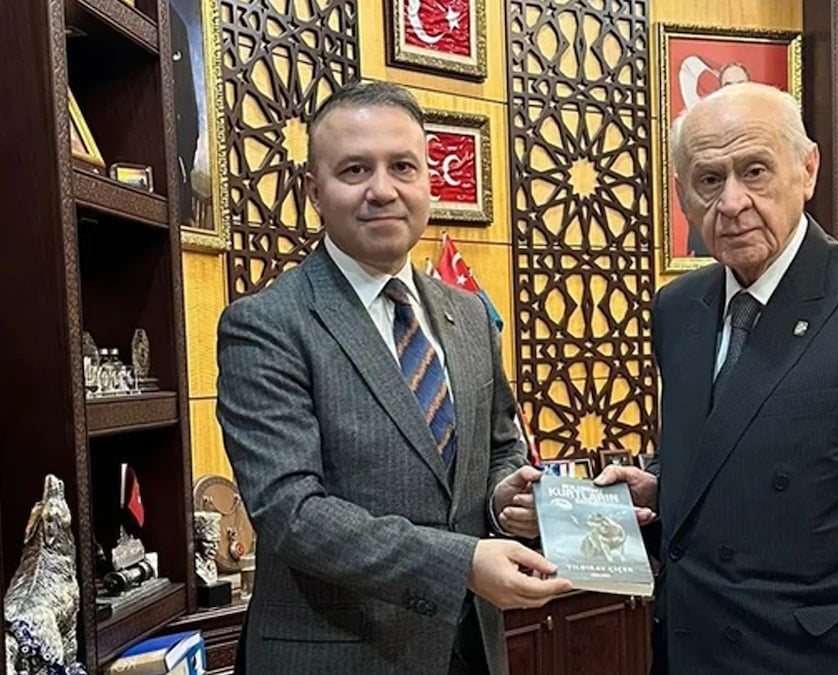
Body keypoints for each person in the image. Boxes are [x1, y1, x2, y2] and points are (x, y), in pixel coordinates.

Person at [597, 83, 838, 674]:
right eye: (709, 180)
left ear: (807, 171)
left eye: (754, 171)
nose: (731, 202)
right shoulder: (678, 309)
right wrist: (663, 491)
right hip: (691, 651)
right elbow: (729, 453)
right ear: (682, 196)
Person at [217, 81, 572, 675]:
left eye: (403, 167)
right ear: (314, 192)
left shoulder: (469, 314)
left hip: (470, 649)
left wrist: (506, 498)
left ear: (429, 180)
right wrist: (461, 564)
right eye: (355, 169)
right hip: (341, 657)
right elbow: (290, 512)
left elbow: (501, 447)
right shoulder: (266, 325)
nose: (382, 190)